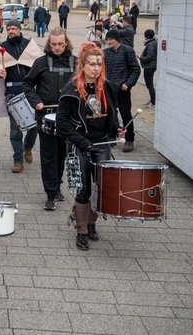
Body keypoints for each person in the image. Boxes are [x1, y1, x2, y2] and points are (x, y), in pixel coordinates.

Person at [56, 44, 122, 251]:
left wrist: (117, 130)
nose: (95, 68)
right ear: (82, 65)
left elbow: (112, 114)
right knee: (83, 188)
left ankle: (92, 223)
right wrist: (83, 143)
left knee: (102, 187)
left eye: (99, 64)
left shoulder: (108, 87)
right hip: (80, 145)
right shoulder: (71, 90)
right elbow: (62, 123)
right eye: (91, 64)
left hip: (102, 143)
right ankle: (81, 229)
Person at [23, 27, 77, 210]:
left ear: (66, 42)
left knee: (62, 155)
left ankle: (57, 186)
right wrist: (36, 101)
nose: (57, 47)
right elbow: (28, 84)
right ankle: (50, 193)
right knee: (48, 156)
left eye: (61, 44)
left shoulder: (76, 62)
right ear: (49, 43)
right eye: (53, 44)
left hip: (67, 117)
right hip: (46, 115)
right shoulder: (41, 62)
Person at [0, 19, 40, 173]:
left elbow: (40, 64)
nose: (11, 31)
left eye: (13, 28)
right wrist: (0, 74)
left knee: (35, 126)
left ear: (19, 29)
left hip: (29, 91)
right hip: (12, 92)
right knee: (15, 129)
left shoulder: (29, 45)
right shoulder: (2, 48)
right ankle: (18, 159)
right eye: (8, 28)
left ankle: (28, 147)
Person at [103, 28, 140, 152]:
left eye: (111, 39)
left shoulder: (127, 51)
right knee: (110, 113)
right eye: (107, 39)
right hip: (109, 89)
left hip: (122, 89)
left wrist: (128, 84)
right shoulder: (105, 52)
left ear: (117, 39)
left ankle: (129, 139)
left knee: (126, 114)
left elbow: (136, 69)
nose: (108, 42)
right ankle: (112, 136)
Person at [138, 29, 157, 107]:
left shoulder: (151, 44)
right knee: (149, 84)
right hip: (151, 66)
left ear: (147, 36)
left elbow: (149, 57)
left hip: (149, 67)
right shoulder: (153, 42)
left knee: (149, 84)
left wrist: (140, 57)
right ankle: (153, 99)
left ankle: (153, 101)